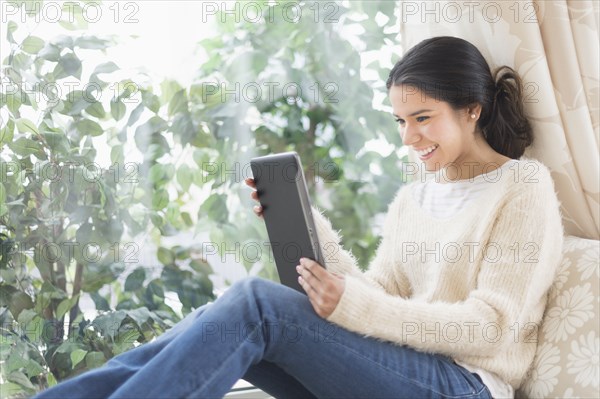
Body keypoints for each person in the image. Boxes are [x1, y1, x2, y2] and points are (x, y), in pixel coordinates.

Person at [34, 36, 564, 399]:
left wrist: (355, 305)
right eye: (401, 120)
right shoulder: (416, 198)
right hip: (406, 371)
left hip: (466, 386)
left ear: (471, 109)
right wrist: (308, 225)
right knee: (221, 317)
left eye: (423, 118)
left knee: (257, 305)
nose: (408, 137)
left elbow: (493, 326)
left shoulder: (522, 188)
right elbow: (377, 297)